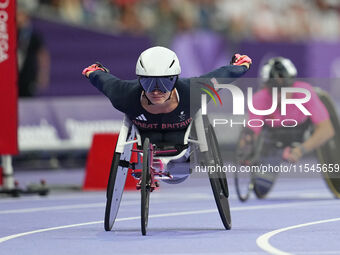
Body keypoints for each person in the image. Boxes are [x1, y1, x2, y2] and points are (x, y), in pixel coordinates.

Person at [82, 46, 251, 183]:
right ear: (140, 80)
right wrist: (94, 72)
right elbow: (102, 79)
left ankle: (166, 163)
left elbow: (221, 76)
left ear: (175, 79)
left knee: (178, 164)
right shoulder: (124, 95)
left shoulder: (194, 91)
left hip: (181, 151)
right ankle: (153, 164)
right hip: (146, 145)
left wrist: (239, 66)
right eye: (148, 83)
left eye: (165, 82)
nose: (156, 90)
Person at [237, 57, 334, 197]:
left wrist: (301, 149)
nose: (280, 94)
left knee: (322, 134)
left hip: (302, 135)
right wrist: (245, 151)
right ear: (266, 87)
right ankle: (278, 155)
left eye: (284, 88)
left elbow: (327, 129)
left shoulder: (305, 92)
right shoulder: (259, 99)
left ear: (292, 84)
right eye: (274, 89)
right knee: (261, 188)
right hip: (272, 141)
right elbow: (253, 132)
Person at [17, 3, 50, 97]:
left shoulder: (33, 35)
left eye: (20, 15)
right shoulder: (12, 33)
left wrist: (43, 74)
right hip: (15, 75)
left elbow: (42, 55)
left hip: (28, 75)